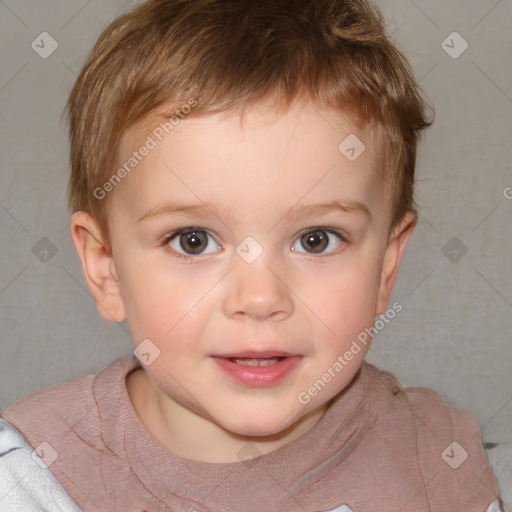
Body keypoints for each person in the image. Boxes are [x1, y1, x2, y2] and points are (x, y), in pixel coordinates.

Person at [0, 0, 503, 510]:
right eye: (193, 240)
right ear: (106, 269)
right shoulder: (35, 476)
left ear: (386, 267)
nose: (260, 298)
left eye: (316, 240)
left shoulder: (438, 461)